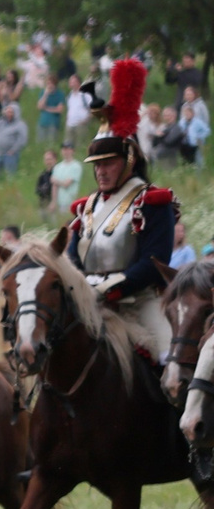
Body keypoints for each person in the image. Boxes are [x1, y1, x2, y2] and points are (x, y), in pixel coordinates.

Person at [59, 60, 179, 371]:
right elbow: (73, 258)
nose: (100, 171)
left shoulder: (152, 202)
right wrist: (83, 290)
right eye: (96, 165)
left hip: (139, 304)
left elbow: (154, 264)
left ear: (129, 160)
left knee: (170, 362)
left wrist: (113, 288)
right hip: (91, 305)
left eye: (108, 163)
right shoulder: (86, 207)